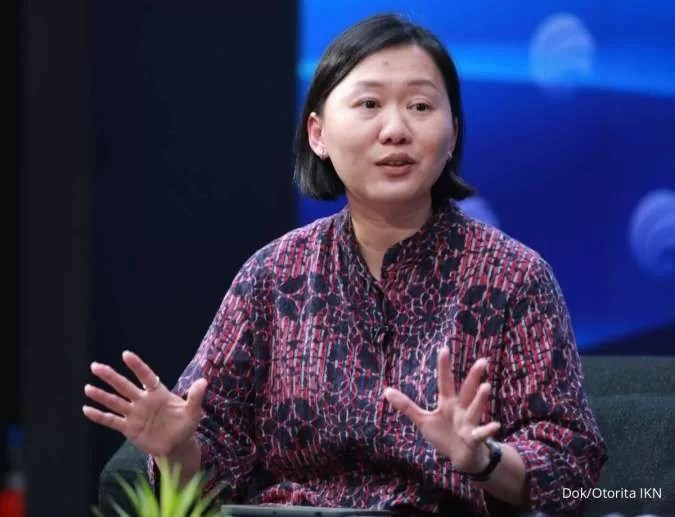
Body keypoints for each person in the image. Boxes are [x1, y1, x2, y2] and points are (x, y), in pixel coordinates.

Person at [83, 13, 606, 516]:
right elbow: (212, 468)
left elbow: (571, 463)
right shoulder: (274, 276)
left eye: (421, 106)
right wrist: (177, 449)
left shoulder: (513, 278)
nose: (396, 129)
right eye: (369, 104)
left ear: (453, 132)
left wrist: (483, 460)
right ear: (318, 134)